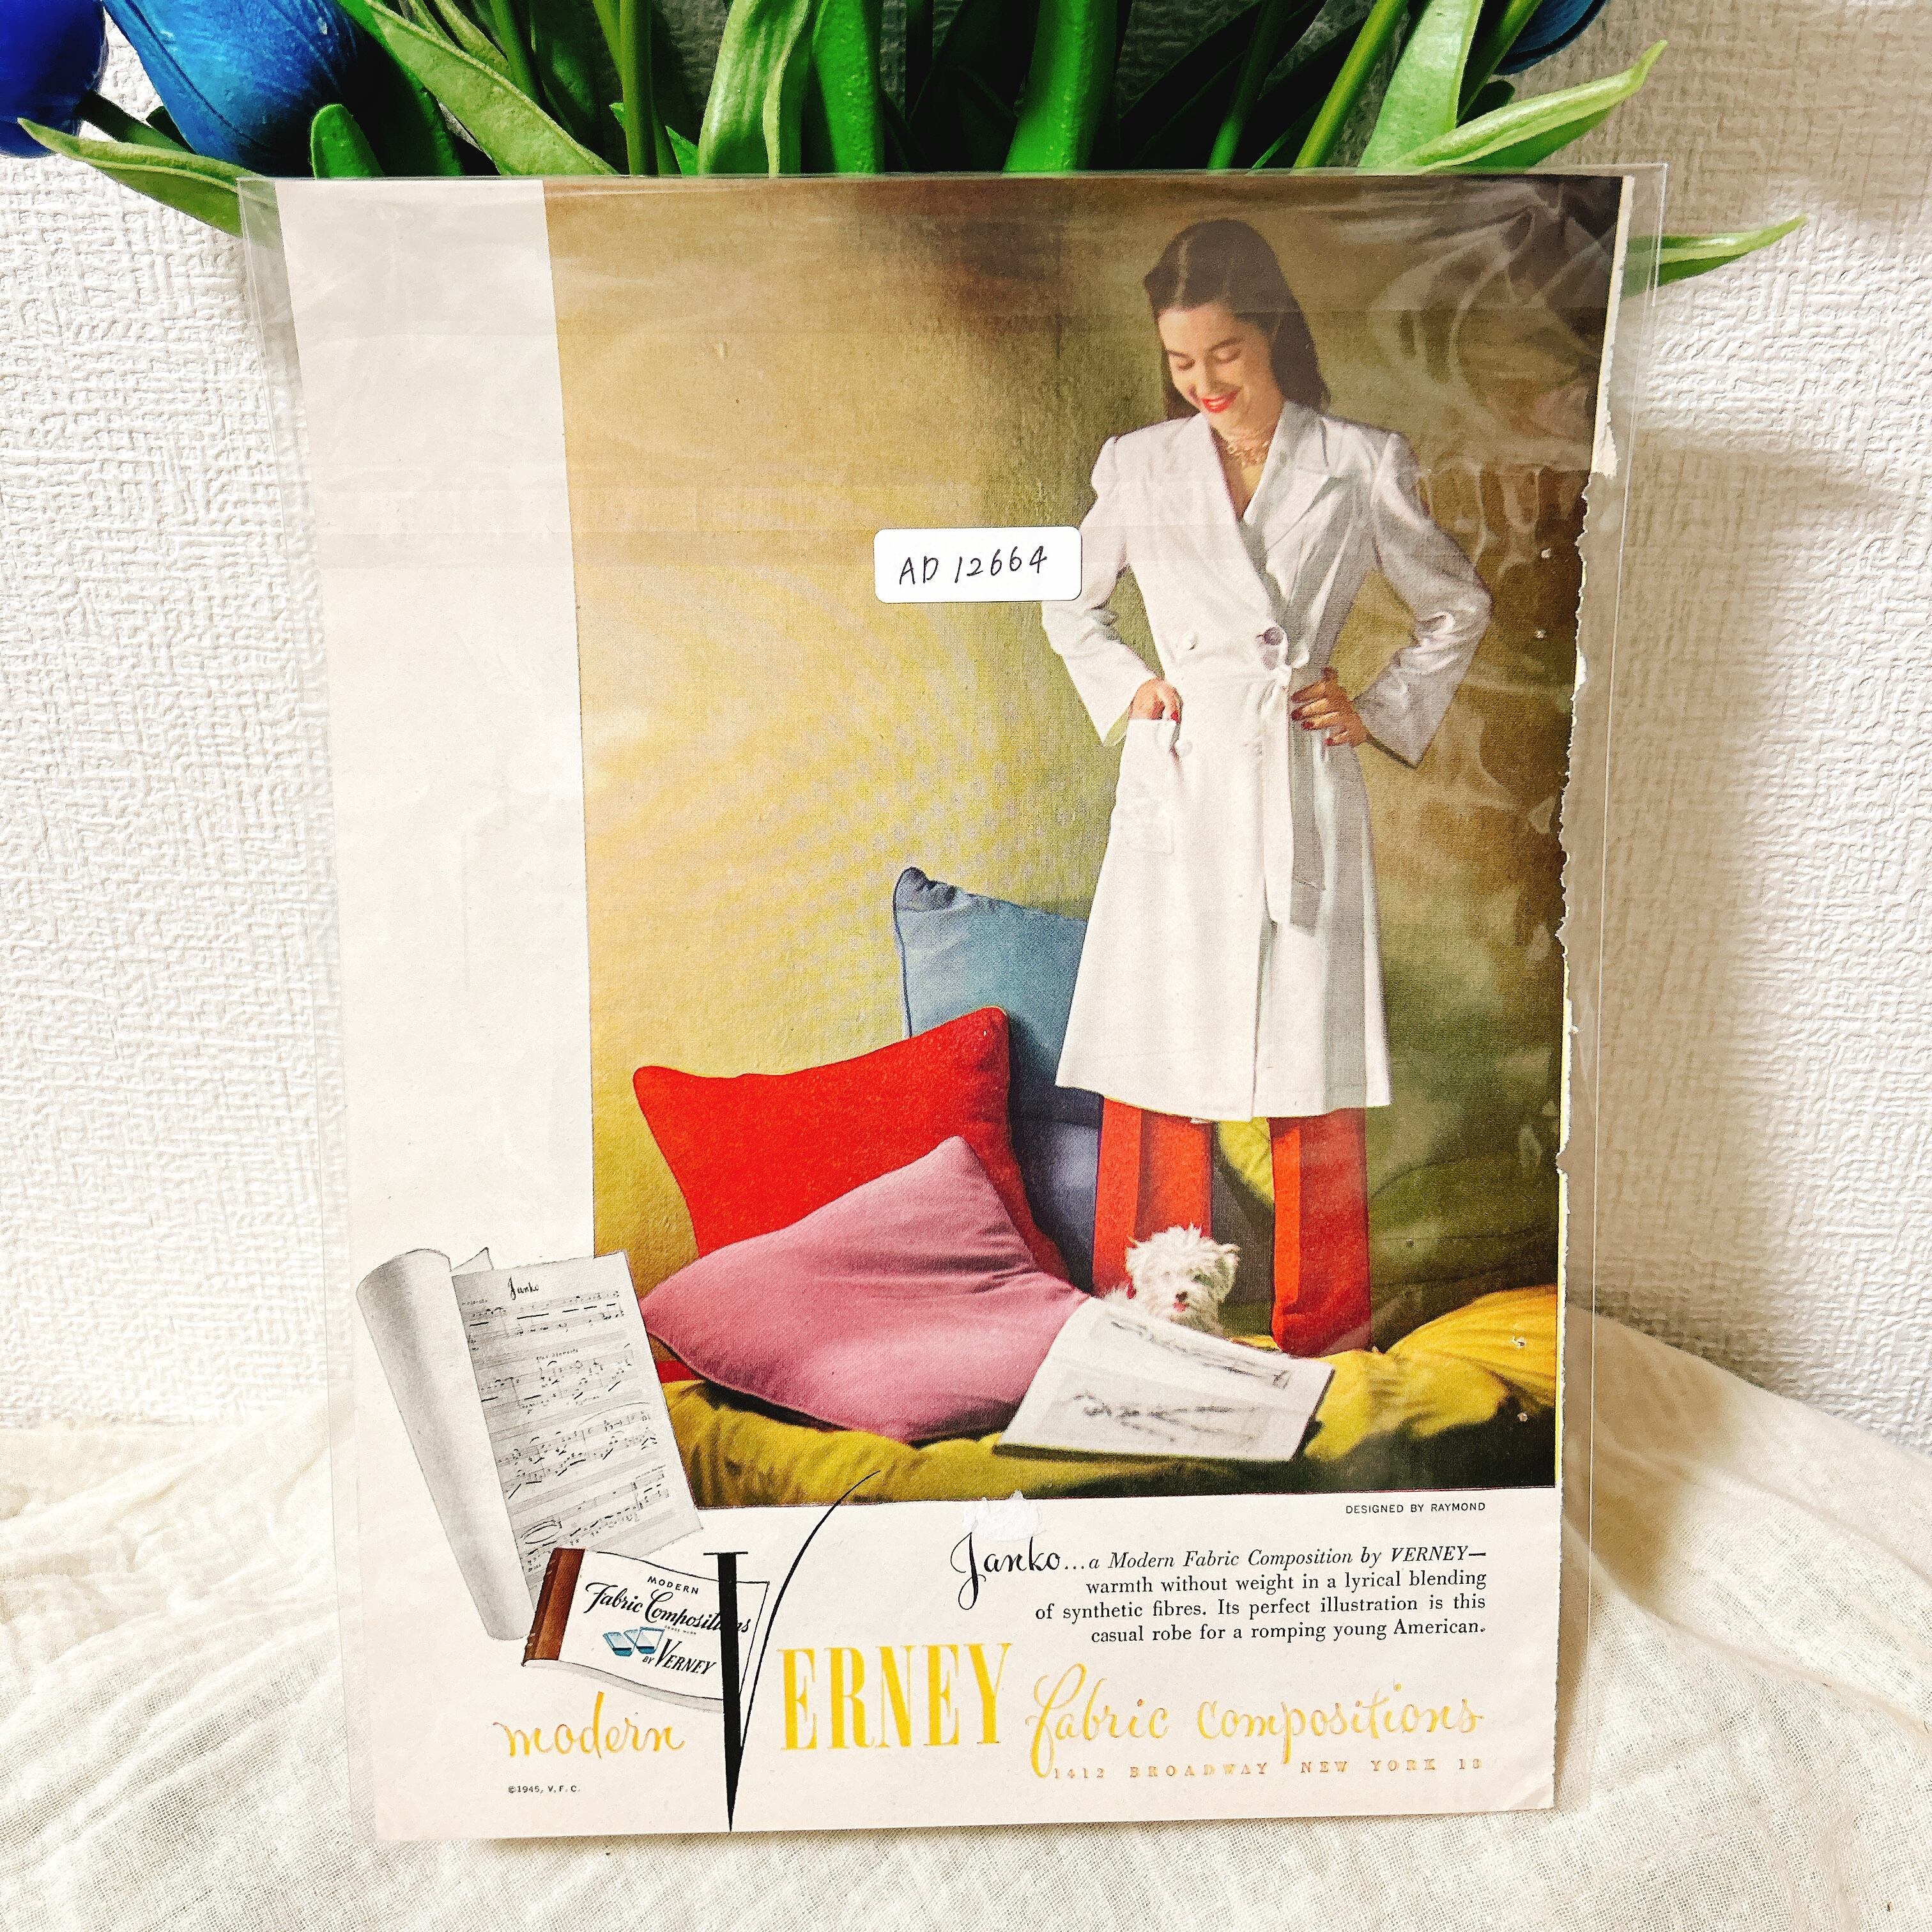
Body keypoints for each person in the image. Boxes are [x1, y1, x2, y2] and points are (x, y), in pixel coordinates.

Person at [1041, 217, 1492, 1356]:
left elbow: (1455, 604)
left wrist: (1376, 706)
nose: (1203, 383)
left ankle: (1322, 1330)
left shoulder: (1359, 460)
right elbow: (1068, 599)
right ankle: (1146, 1318)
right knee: (1157, 1048)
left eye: (1225, 354)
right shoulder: (1138, 464)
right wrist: (1134, 685)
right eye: (1180, 361)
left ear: (1273, 329)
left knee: (1310, 1057)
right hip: (1184, 775)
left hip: (1299, 773)